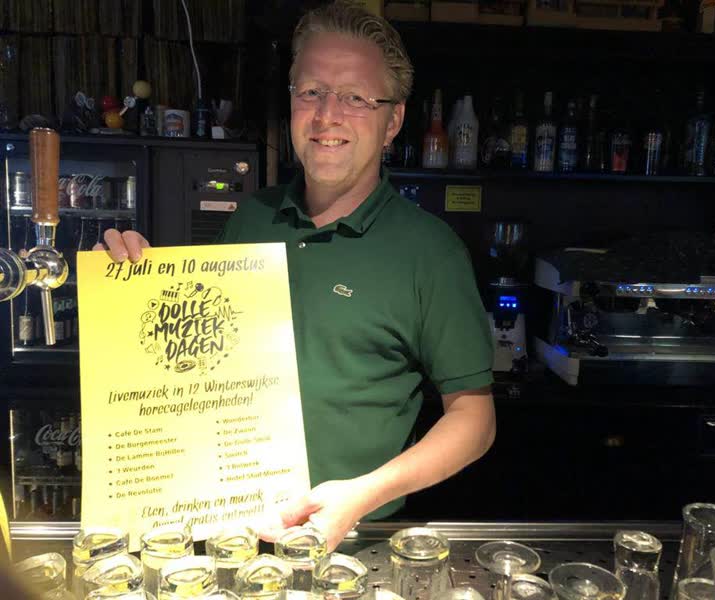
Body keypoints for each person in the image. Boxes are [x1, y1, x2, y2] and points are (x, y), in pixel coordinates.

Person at [96, 0, 495, 550]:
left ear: (393, 122)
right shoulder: (251, 217)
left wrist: (363, 493)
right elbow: (198, 360)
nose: (327, 115)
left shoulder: (431, 252)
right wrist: (133, 287)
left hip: (351, 543)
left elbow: (474, 418)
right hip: (226, 532)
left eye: (355, 97)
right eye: (311, 91)